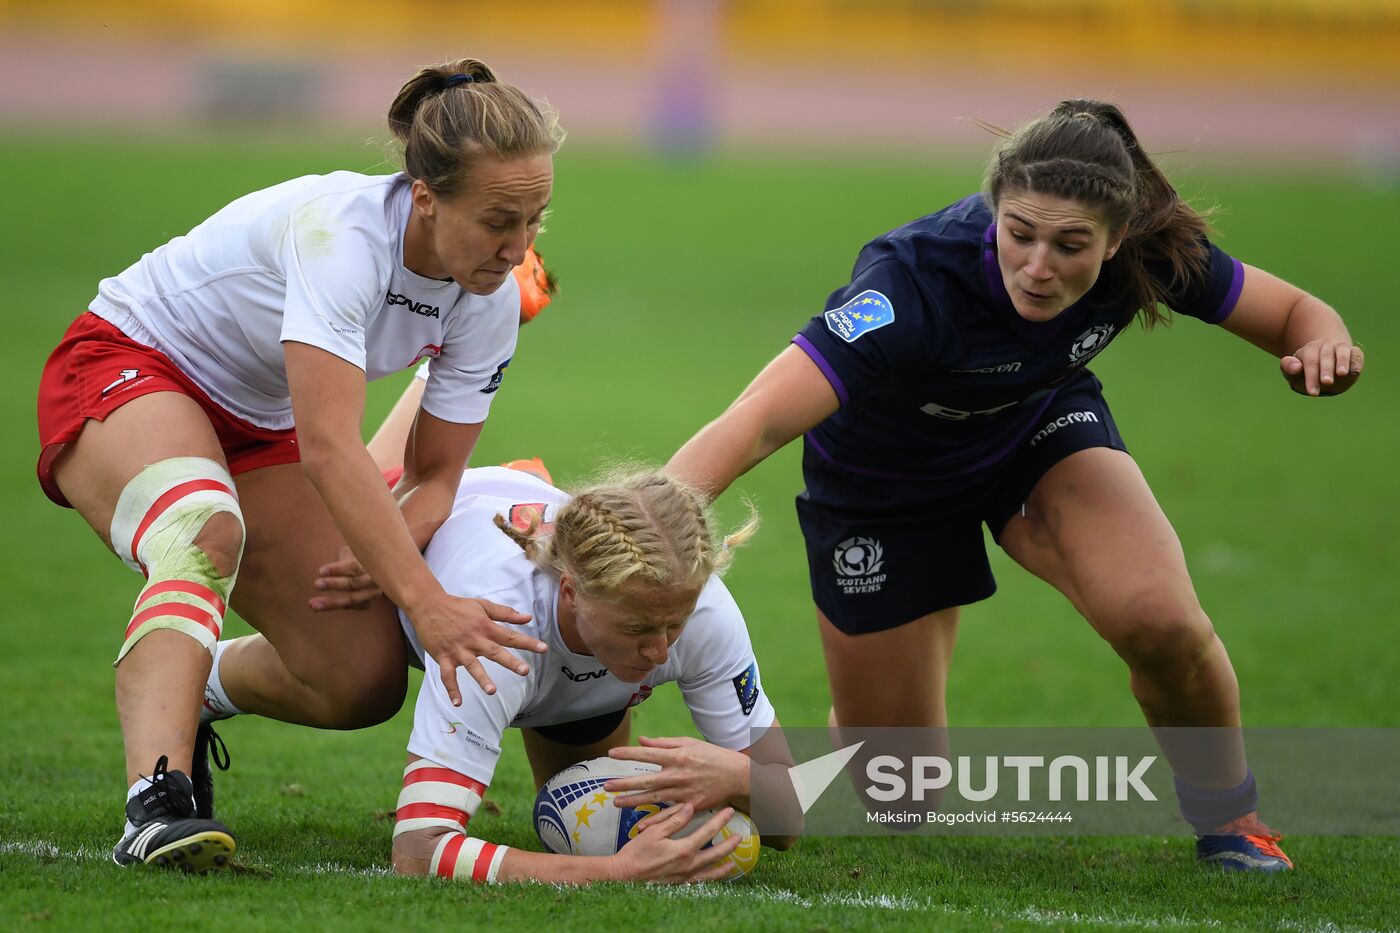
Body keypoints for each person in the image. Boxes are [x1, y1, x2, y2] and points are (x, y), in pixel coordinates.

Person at [665, 99, 1365, 873]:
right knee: (903, 796)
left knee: (1160, 620)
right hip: (881, 485)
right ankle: (866, 726)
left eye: (1071, 245)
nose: (1038, 265)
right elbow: (760, 418)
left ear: (1118, 236)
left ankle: (1232, 817)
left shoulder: (1153, 252)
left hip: (1032, 432)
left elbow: (1297, 312)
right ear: (994, 207)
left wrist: (1324, 345)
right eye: (1019, 233)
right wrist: (649, 517)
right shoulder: (912, 285)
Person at [35, 57, 564, 873]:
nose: (518, 246)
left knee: (360, 678)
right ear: (425, 194)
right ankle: (155, 799)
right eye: (500, 219)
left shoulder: (491, 297)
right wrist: (423, 600)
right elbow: (327, 447)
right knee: (202, 527)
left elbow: (437, 477)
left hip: (258, 420)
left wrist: (389, 556)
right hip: (129, 362)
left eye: (536, 219)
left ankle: (192, 688)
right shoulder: (342, 235)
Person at [379, 462, 796, 884]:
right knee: (359, 690)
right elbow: (418, 849)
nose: (660, 649)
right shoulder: (495, 634)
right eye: (636, 629)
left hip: (559, 644)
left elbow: (793, 814)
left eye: (675, 624)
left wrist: (740, 778)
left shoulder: (704, 609)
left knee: (583, 807)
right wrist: (617, 871)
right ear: (570, 592)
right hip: (397, 531)